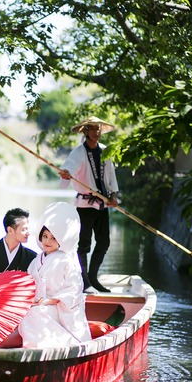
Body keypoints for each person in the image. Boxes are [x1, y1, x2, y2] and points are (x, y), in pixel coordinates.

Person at [58, 116, 121, 293]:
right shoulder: (78, 153)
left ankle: (93, 277)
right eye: (93, 129)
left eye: (98, 129)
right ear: (86, 132)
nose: (96, 132)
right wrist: (66, 174)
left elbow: (111, 176)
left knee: (104, 242)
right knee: (84, 244)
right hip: (85, 204)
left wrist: (113, 195)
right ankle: (84, 280)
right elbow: (70, 167)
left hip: (102, 203)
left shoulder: (105, 151)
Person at [17, 201, 92, 348]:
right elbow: (29, 287)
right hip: (38, 305)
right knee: (25, 314)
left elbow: (74, 290)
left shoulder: (68, 260)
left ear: (62, 240)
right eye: (45, 236)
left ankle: (50, 346)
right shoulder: (36, 261)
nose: (47, 241)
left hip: (60, 309)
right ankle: (33, 347)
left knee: (35, 314)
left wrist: (49, 301)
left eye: (53, 238)